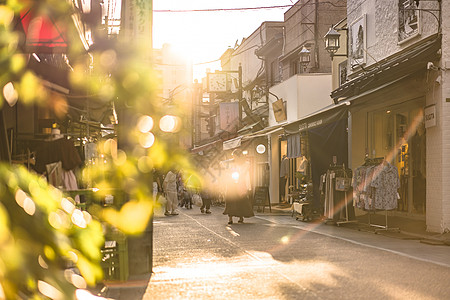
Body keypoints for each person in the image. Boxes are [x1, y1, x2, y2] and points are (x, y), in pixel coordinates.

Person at [223, 149, 254, 224]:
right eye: (233, 156)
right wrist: (230, 162)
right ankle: (230, 218)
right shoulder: (231, 163)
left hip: (240, 183)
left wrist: (247, 186)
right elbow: (223, 164)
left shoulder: (245, 164)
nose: (234, 158)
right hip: (231, 184)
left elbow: (245, 172)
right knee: (230, 200)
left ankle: (241, 217)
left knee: (241, 201)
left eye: (235, 156)